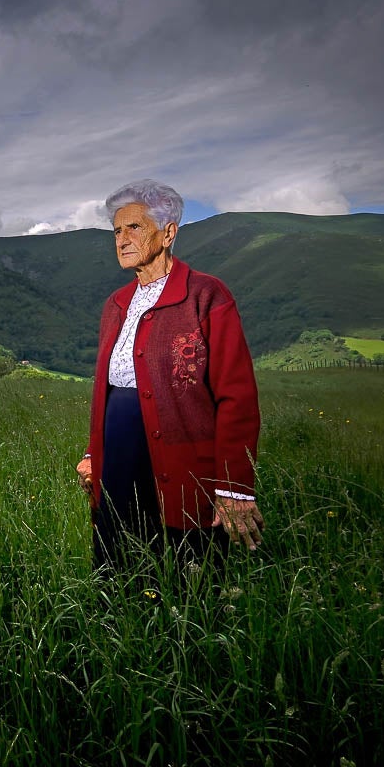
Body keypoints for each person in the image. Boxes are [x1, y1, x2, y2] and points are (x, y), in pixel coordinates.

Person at [76, 179, 263, 575]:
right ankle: (120, 627)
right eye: (116, 231)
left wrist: (235, 486)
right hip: (119, 446)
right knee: (119, 549)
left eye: (134, 227)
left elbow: (237, 395)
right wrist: (95, 453)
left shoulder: (206, 295)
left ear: (168, 232)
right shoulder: (116, 304)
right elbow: (106, 390)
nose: (121, 239)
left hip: (184, 450)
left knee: (189, 558)